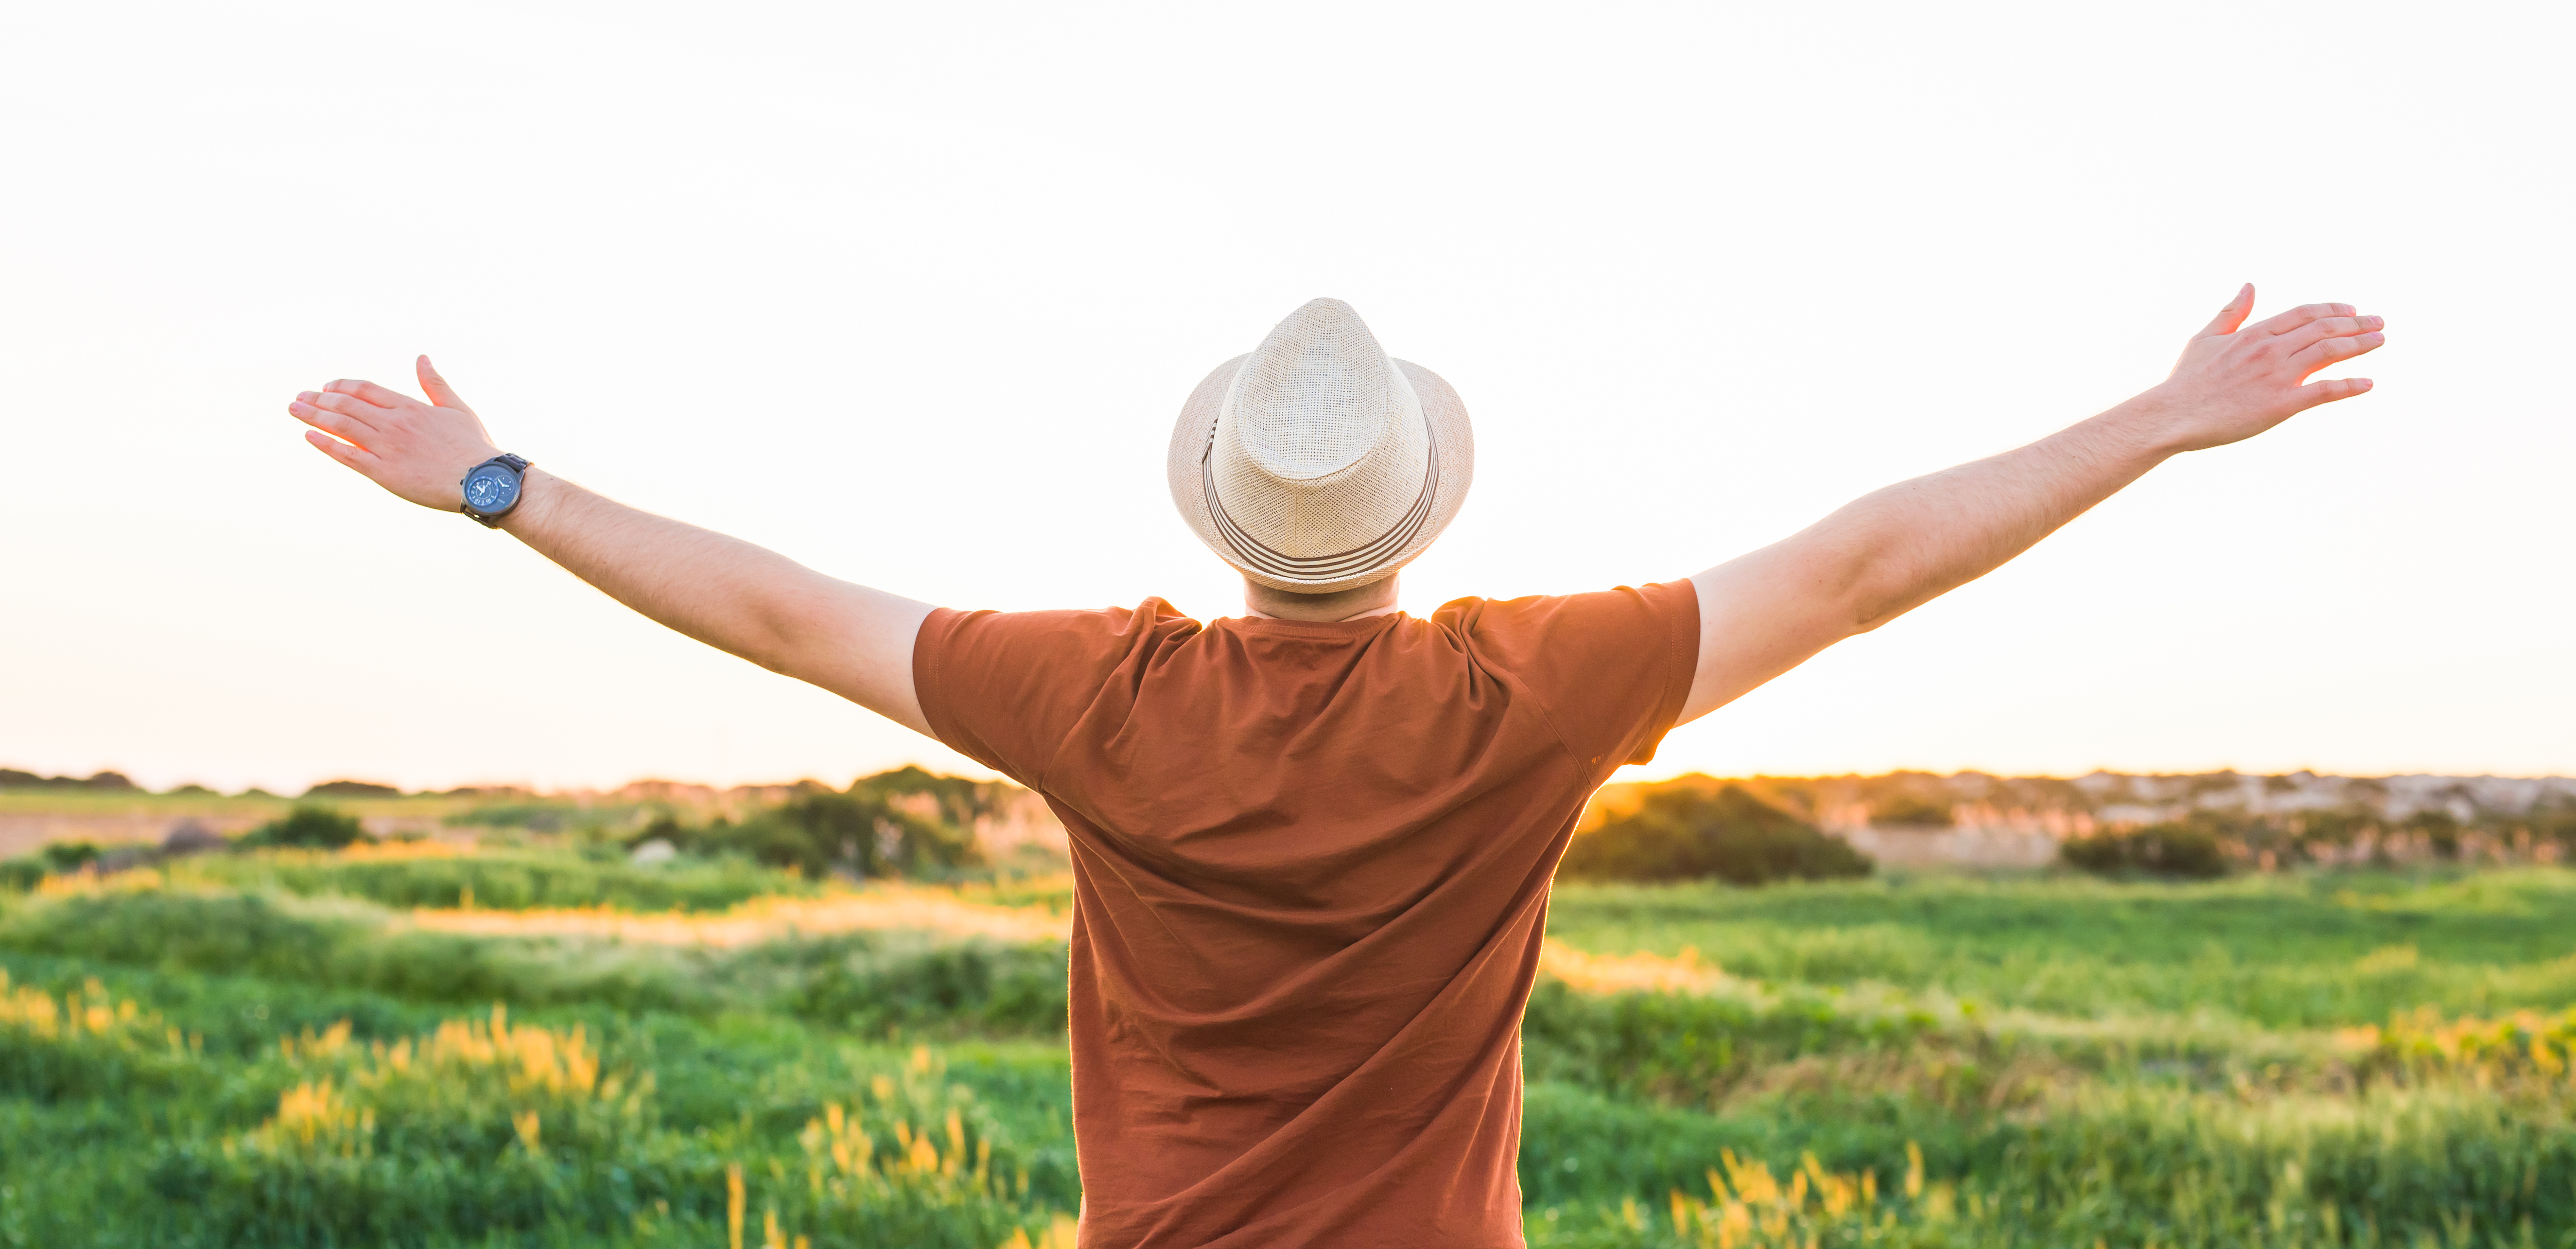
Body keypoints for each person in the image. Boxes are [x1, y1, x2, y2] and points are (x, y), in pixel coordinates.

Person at [288, 289, 2382, 1247]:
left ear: (1220, 507)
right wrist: (2152, 419)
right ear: (1420, 508)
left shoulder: (1090, 693)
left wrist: (496, 481)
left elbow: (775, 611)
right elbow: (1853, 570)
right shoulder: (1526, 690)